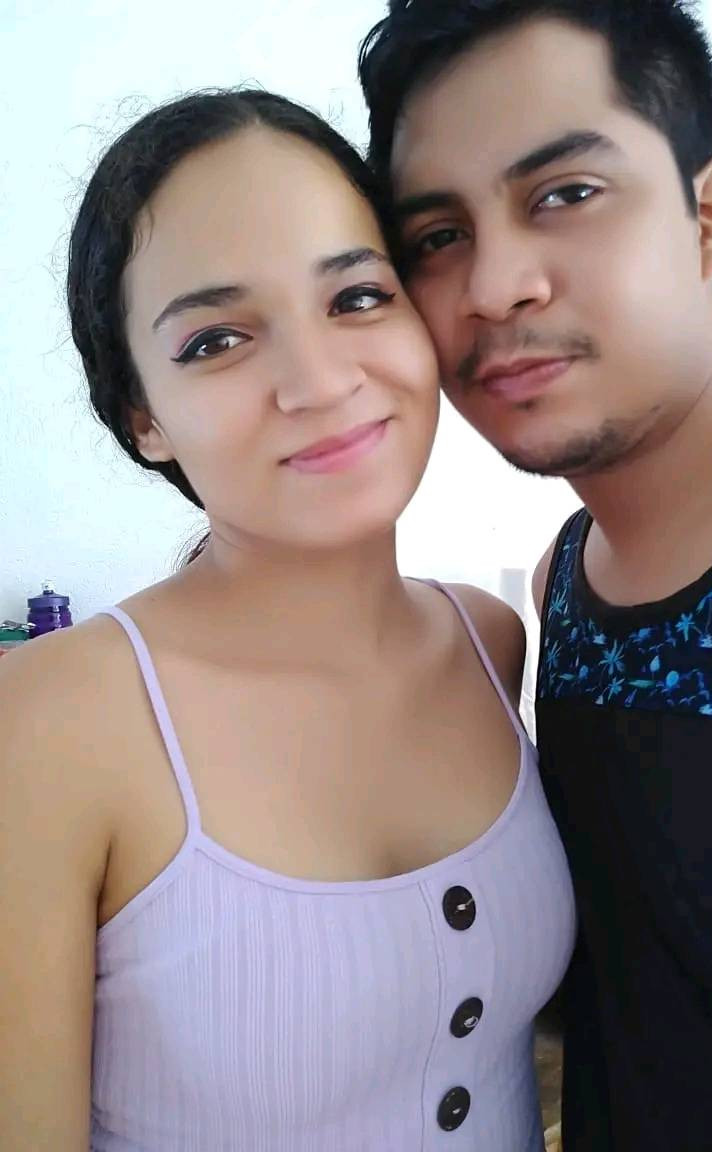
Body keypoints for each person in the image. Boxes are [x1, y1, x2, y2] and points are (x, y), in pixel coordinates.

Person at [0, 89, 576, 1152]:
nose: (317, 381)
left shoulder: (491, 641)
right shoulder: (50, 723)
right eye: (216, 340)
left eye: (357, 296)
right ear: (142, 415)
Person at [358, 2, 712, 1149]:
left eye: (566, 193)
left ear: (709, 217)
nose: (494, 285)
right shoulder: (565, 586)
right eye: (437, 235)